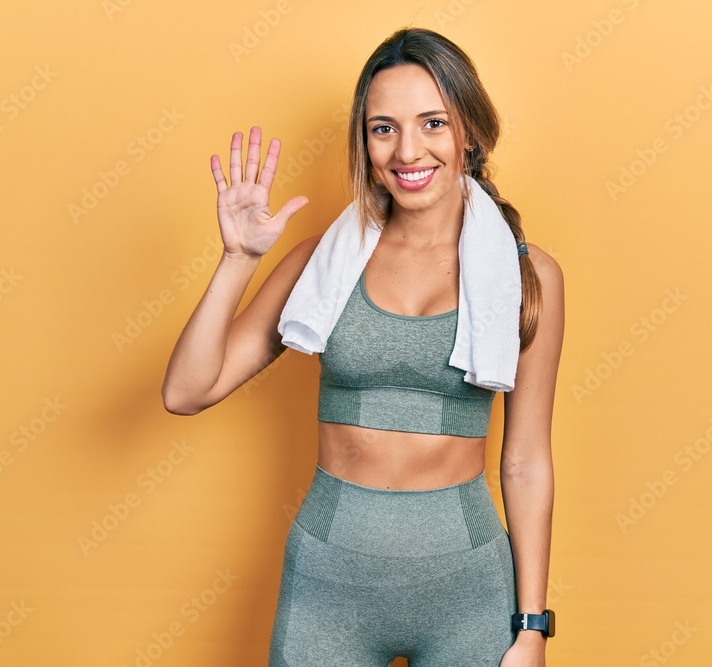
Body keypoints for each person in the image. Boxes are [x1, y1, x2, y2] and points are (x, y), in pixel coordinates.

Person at [162, 27, 564, 667]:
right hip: (328, 589)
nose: (408, 150)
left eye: (432, 123)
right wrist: (238, 259)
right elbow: (187, 391)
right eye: (384, 128)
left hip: (469, 594)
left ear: (469, 133)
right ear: (364, 140)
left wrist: (532, 626)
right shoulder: (321, 264)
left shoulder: (525, 274)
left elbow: (525, 462)